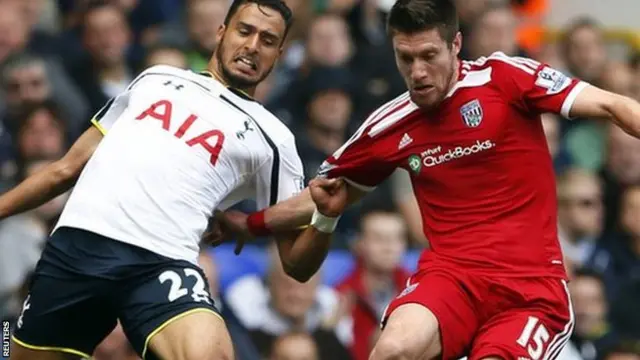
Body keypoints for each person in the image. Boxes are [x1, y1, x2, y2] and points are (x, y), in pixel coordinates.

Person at [214, 0, 640, 359]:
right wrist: (249, 223)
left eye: (429, 56)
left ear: (455, 45)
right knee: (392, 349)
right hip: (451, 279)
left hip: (529, 290)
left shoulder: (505, 78)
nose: (417, 71)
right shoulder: (390, 124)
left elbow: (612, 105)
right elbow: (323, 197)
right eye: (406, 58)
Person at [1, 1, 348, 359]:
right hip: (78, 248)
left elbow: (296, 264)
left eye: (268, 40)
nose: (252, 46)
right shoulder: (156, 78)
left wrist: (326, 217)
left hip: (161, 262)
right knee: (8, 345)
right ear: (222, 32)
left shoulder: (274, 139)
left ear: (278, 54)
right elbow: (65, 168)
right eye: (245, 31)